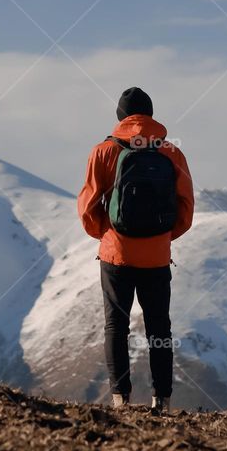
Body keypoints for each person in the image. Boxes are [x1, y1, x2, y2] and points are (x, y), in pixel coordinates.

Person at [78, 87, 194, 412]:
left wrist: (106, 233)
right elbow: (186, 207)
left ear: (120, 117)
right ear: (151, 115)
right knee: (159, 327)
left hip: (116, 253)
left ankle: (121, 400)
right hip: (156, 257)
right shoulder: (171, 152)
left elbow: (88, 206)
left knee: (116, 324)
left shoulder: (103, 152)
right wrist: (162, 238)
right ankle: (162, 399)